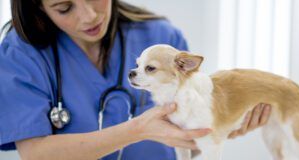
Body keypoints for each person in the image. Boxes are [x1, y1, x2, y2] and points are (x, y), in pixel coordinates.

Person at [0, 0, 272, 159]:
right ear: (39, 8)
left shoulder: (161, 39)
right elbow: (36, 153)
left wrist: (223, 125)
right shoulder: (22, 54)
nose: (89, 15)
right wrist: (137, 129)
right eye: (65, 7)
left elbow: (187, 141)